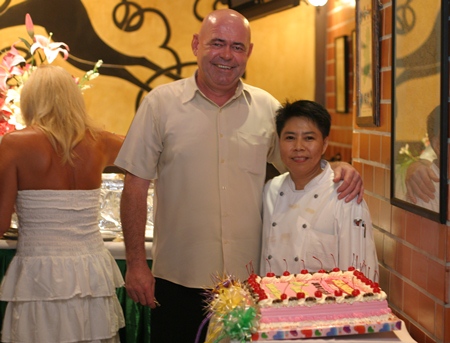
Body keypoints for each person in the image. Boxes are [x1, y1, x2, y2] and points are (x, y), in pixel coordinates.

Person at [114, 9, 364, 343]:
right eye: (217, 43)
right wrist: (135, 264)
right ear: (195, 45)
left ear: (249, 52)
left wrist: (339, 169)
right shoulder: (160, 104)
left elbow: (302, 162)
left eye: (237, 46)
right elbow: (135, 186)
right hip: (177, 283)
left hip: (249, 286)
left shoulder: (267, 109)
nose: (226, 55)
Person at [0, 65, 125, 343]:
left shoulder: (15, 144)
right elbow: (150, 150)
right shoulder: (101, 141)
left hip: (40, 272)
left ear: (30, 100)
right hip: (91, 272)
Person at [260, 100, 378, 277]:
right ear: (279, 142)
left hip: (325, 303)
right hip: (271, 301)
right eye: (290, 138)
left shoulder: (345, 195)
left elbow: (360, 276)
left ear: (324, 144)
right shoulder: (271, 190)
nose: (298, 147)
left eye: (309, 138)